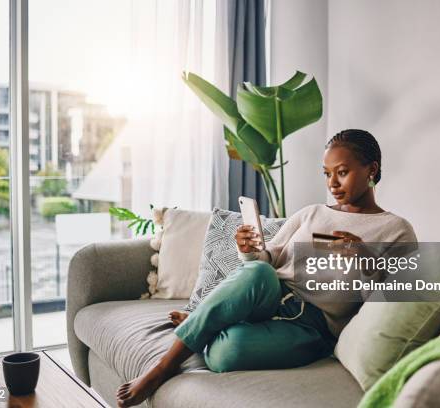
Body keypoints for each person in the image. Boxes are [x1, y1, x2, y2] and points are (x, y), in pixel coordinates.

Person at [116, 129, 417, 407]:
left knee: (225, 354)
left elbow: (395, 295)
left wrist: (363, 259)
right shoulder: (311, 213)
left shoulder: (396, 230)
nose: (332, 184)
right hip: (270, 292)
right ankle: (161, 369)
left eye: (342, 172)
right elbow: (269, 259)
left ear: (372, 170)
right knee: (259, 271)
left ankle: (208, 318)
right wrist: (250, 250)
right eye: (327, 174)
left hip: (312, 327)